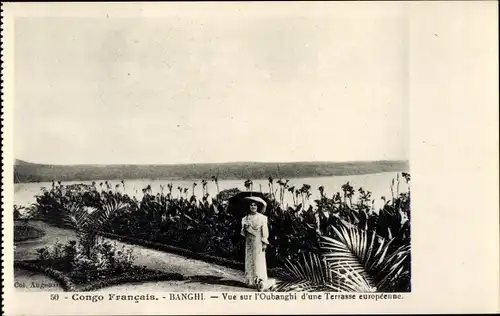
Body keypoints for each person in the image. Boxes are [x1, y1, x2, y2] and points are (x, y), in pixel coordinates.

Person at [240, 196, 274, 291]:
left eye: (255, 205)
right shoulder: (245, 218)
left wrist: (264, 243)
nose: (253, 207)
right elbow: (243, 233)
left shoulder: (262, 218)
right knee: (249, 260)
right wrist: (245, 228)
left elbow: (265, 231)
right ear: (249, 207)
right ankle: (250, 281)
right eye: (251, 205)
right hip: (249, 242)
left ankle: (260, 281)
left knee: (258, 261)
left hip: (258, 241)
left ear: (258, 206)